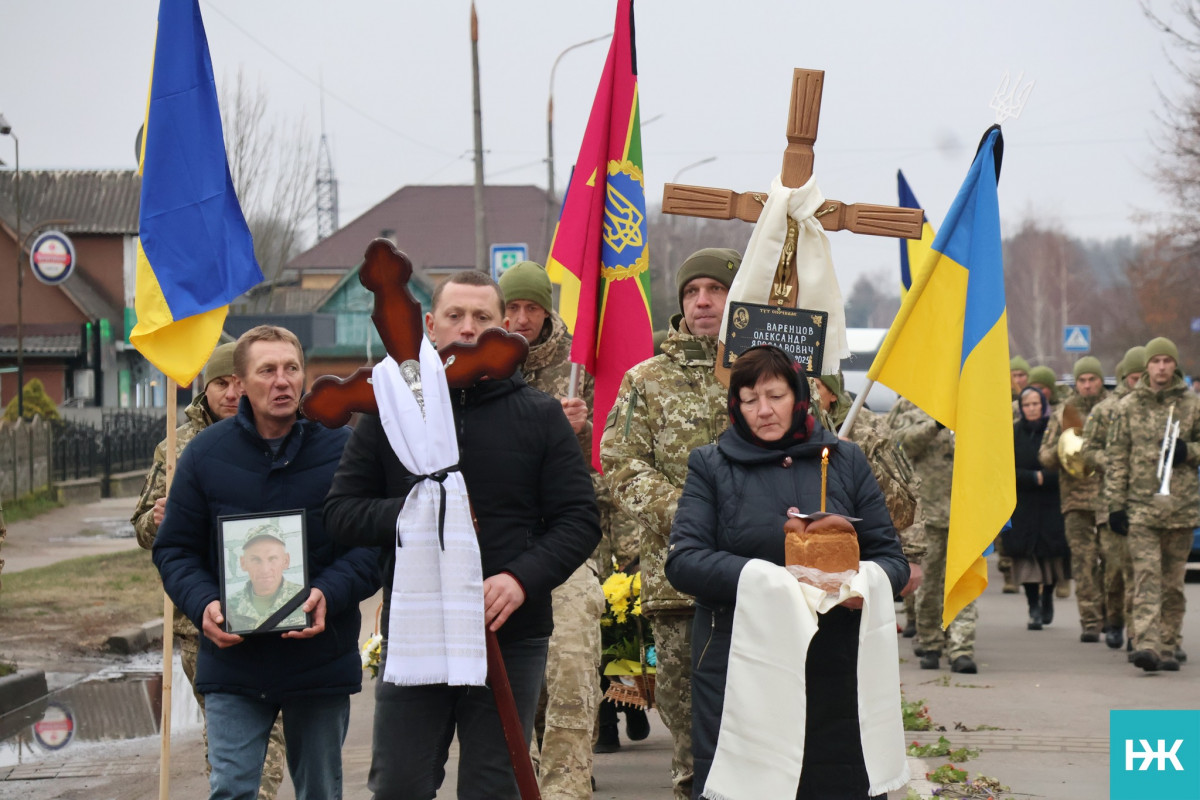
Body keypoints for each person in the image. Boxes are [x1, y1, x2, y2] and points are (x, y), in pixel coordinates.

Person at [324, 269, 600, 799]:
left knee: (493, 786)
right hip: (416, 632)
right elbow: (341, 512)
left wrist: (520, 579)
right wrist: (415, 514)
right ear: (430, 325)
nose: (468, 329)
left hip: (510, 630)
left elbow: (578, 519)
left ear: (507, 331)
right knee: (399, 784)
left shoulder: (540, 417)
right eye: (455, 316)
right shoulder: (391, 413)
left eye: (482, 317)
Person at [665, 345, 909, 800]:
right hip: (738, 664)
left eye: (775, 396)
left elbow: (891, 560)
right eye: (749, 399)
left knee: (832, 782)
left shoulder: (844, 460)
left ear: (798, 397)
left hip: (834, 664)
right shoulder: (711, 464)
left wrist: (860, 584)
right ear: (735, 405)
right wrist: (772, 582)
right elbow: (684, 561)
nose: (764, 410)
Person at [153, 325, 379, 800]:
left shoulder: (342, 450)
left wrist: (328, 594)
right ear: (239, 384)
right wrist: (205, 604)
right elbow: (174, 550)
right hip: (235, 662)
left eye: (291, 369)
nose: (282, 381)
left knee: (320, 790)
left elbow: (370, 546)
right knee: (232, 789)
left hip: (319, 658)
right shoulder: (203, 456)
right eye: (267, 370)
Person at [600, 247, 742, 800]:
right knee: (689, 734)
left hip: (763, 577)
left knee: (759, 721)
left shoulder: (766, 371)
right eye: (691, 291)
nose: (702, 301)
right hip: (679, 581)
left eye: (716, 289)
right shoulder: (646, 379)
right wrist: (688, 513)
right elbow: (620, 462)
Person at [132, 343, 288, 800]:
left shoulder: (283, 436)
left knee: (273, 725)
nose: (232, 394)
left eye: (241, 383)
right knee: (224, 727)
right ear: (205, 386)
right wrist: (158, 520)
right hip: (203, 619)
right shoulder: (178, 448)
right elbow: (143, 529)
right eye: (222, 383)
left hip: (274, 607)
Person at [498, 260, 630, 796]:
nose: (521, 319)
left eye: (532, 308)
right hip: (503, 548)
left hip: (568, 542)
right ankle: (523, 780)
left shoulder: (581, 371)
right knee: (515, 682)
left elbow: (611, 457)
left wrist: (579, 430)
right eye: (512, 307)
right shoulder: (480, 371)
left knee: (570, 665)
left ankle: (567, 782)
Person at [1106, 336, 1199, 672]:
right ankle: (1146, 643)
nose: (1161, 367)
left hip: (1181, 508)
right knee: (1146, 577)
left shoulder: (1191, 404)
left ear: (1175, 365)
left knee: (1173, 584)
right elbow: (1117, 458)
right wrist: (1115, 505)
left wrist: (1189, 451)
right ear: (1146, 366)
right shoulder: (1128, 407)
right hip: (1141, 507)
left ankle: (1170, 643)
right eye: (1155, 361)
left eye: (1167, 361)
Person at [886, 398, 980, 673]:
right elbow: (901, 445)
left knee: (964, 582)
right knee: (929, 586)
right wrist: (935, 425)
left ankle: (961, 647)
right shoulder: (912, 410)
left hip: (966, 514)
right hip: (928, 515)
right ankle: (930, 642)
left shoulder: (972, 412)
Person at [1038, 356, 1109, 642]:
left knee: (1113, 562)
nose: (1088, 385)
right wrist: (1062, 450)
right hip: (1076, 501)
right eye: (1082, 380)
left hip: (1110, 499)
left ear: (1101, 381)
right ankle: (1090, 621)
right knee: (1084, 561)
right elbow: (1044, 455)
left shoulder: (1113, 409)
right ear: (1076, 383)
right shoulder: (1063, 413)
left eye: (1092, 379)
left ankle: (1111, 614)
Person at [1081, 346, 1146, 650]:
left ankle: (1142, 633)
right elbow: (1088, 452)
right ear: (1124, 377)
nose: (1139, 381)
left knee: (1142, 571)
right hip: (1112, 503)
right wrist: (1117, 460)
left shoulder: (1156, 408)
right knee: (1116, 570)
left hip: (1149, 503)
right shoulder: (1107, 409)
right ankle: (1116, 618)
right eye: (1134, 377)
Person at [1007, 387, 1069, 630]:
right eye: (1027, 405)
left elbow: (1066, 464)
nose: (1031, 408)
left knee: (1050, 555)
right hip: (1022, 502)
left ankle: (1047, 599)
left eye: (1035, 404)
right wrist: (1033, 478)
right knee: (1026, 557)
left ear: (1043, 405)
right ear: (1021, 408)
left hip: (1051, 502)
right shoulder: (1013, 432)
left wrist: (1047, 479)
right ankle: (1033, 605)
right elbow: (1005, 468)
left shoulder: (1054, 431)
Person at [225, 523, 308, 633]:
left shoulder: (305, 599)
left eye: (272, 558)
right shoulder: (228, 607)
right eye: (256, 560)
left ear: (286, 561)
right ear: (243, 563)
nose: (265, 569)